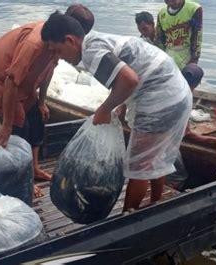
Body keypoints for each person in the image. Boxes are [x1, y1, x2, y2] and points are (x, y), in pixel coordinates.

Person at [41, 10, 193, 211]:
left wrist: (104, 109)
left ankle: (127, 217)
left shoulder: (90, 52)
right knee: (155, 158)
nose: (58, 58)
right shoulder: (98, 40)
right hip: (177, 95)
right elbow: (132, 72)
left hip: (160, 101)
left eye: (56, 50)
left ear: (69, 40)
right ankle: (156, 202)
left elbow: (129, 80)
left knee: (139, 167)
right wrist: (121, 105)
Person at [0, 21, 60, 198]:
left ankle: (34, 169)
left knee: (36, 121)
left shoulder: (53, 44)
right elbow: (10, 82)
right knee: (20, 131)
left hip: (23, 87)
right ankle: (24, 180)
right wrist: (6, 124)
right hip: (4, 87)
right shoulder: (33, 45)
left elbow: (48, 72)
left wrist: (42, 102)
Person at [181, 63, 216, 156]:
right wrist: (213, 140)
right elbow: (187, 133)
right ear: (198, 83)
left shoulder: (168, 90)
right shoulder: (185, 101)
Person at [156, 0, 203, 69]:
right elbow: (159, 40)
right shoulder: (161, 13)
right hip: (168, 61)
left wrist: (193, 62)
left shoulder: (194, 9)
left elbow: (197, 37)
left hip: (187, 61)